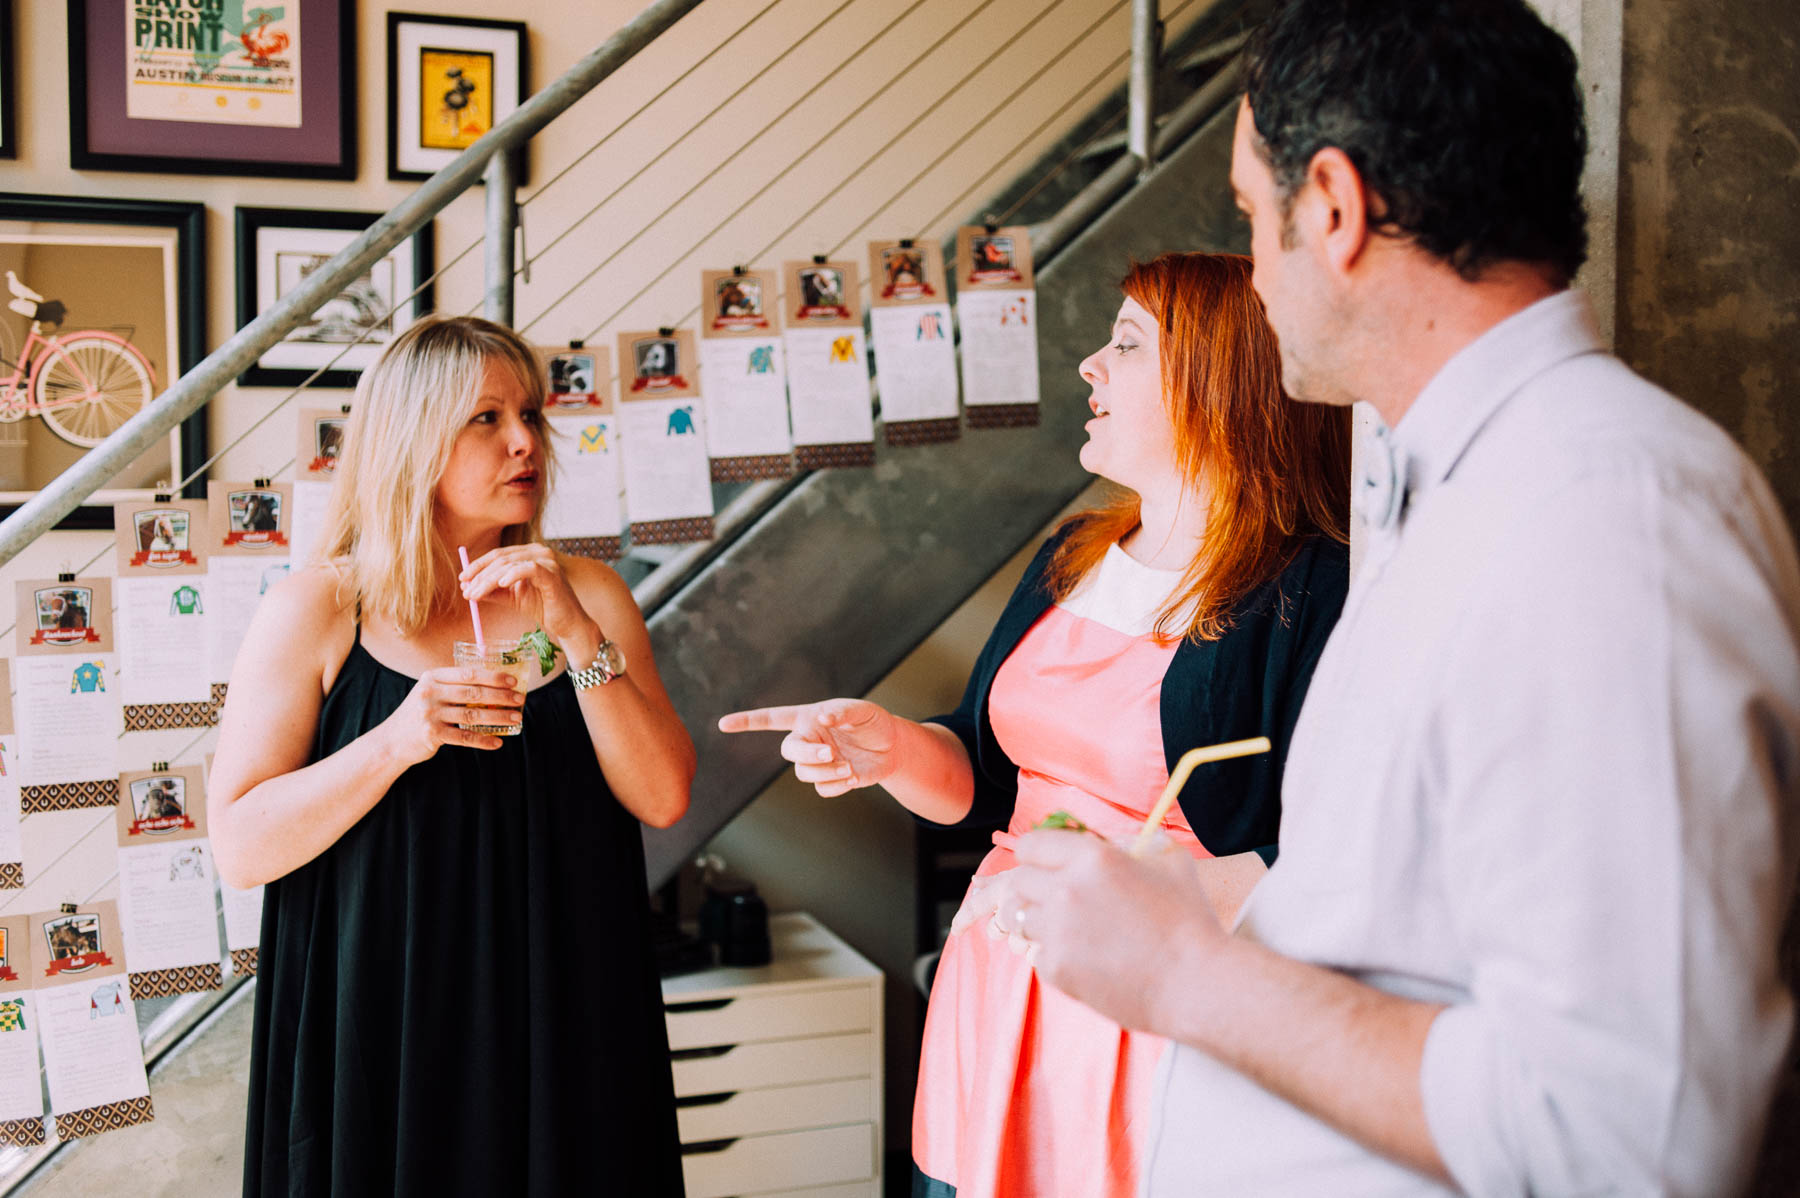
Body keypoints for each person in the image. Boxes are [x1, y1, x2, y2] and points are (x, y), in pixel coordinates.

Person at [999, 2, 1800, 1194]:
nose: (1254, 271)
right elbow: (1431, 903)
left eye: (1250, 219)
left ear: (1333, 205)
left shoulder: (1604, 522)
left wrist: (1186, 977)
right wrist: (1219, 892)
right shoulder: (1454, 490)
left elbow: (1636, 1133)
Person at [723, 252, 1351, 1197]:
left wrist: (1185, 885)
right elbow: (983, 774)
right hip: (999, 992)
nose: (1091, 366)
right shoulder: (1073, 555)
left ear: (1223, 382)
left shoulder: (1311, 586)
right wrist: (892, 744)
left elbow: (1349, 842)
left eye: (1127, 344)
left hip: (1154, 1013)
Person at [209, 316, 695, 1196]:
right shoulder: (319, 608)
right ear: (410, 439)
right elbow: (241, 846)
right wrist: (400, 738)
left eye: (532, 416)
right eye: (487, 418)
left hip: (566, 1001)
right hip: (386, 1017)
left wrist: (576, 635)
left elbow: (662, 796)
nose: (525, 442)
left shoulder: (587, 594)